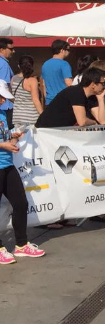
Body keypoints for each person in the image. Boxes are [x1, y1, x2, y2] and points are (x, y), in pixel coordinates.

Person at [0, 80, 44, 264]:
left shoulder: (2, 113)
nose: (3, 101)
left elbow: (4, 134)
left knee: (20, 203)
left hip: (7, 165)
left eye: (4, 97)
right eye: (1, 97)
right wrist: (5, 145)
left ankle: (21, 244)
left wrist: (13, 136)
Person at [36, 68, 105, 128]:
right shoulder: (76, 92)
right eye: (103, 83)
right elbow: (82, 121)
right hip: (45, 130)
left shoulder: (91, 97)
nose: (104, 86)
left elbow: (103, 121)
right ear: (93, 84)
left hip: (57, 131)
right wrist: (94, 122)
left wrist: (101, 99)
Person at [11, 56, 44, 128]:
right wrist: (43, 116)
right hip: (31, 117)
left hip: (17, 117)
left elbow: (12, 97)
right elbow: (36, 100)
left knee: (20, 138)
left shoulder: (13, 78)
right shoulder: (32, 80)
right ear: (32, 66)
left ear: (19, 66)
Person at [41, 40, 72, 106]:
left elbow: (43, 84)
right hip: (62, 100)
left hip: (49, 101)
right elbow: (68, 83)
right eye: (68, 49)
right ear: (62, 50)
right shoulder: (64, 64)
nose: (69, 52)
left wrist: (47, 98)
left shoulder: (45, 64)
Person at [0, 39, 14, 128]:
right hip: (4, 106)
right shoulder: (3, 64)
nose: (13, 51)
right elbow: (4, 86)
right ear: (1, 49)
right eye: (11, 49)